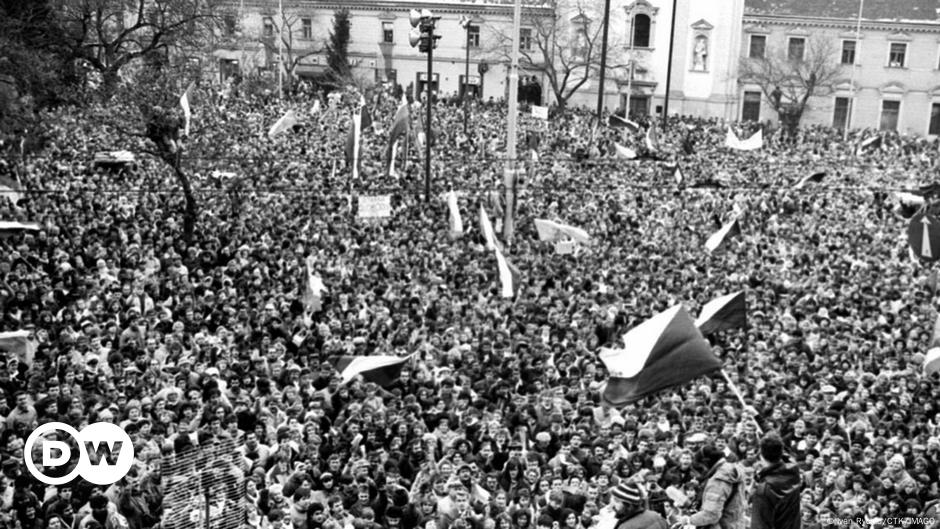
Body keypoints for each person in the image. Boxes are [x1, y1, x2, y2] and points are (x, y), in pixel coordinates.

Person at [674, 445, 746, 529]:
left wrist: (689, 520)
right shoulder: (732, 471)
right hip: (736, 524)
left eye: (701, 466)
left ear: (706, 462)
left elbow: (711, 514)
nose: (702, 471)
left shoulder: (719, 480)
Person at [750, 432, 802, 529]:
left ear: (761, 455)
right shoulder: (794, 470)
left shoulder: (765, 490)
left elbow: (760, 526)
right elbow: (781, 449)